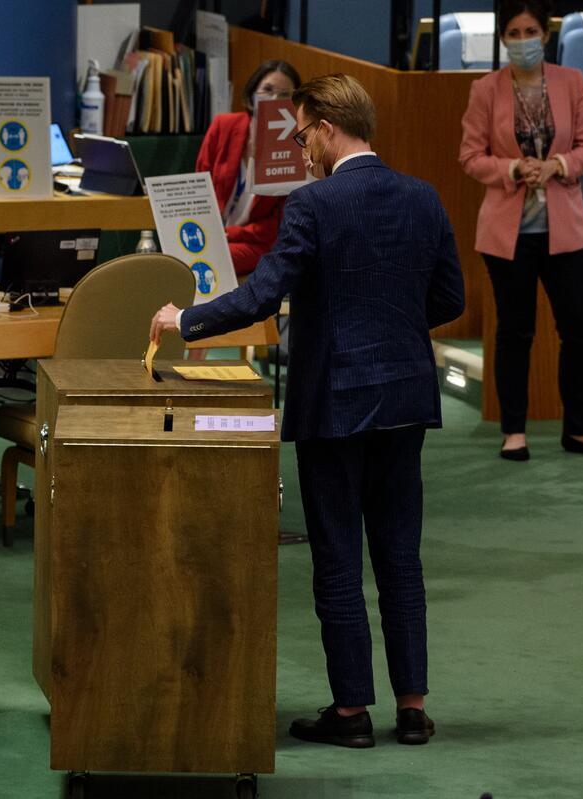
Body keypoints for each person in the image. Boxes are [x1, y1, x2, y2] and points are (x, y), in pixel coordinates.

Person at [151, 74, 465, 747]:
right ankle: (413, 707)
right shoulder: (423, 197)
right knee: (400, 557)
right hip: (405, 396)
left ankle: (351, 713)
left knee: (338, 557)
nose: (302, 149)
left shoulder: (313, 204)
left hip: (333, 402)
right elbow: (450, 298)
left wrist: (186, 319)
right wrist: (395, 329)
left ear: (326, 128)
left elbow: (263, 294)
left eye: (302, 136)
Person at [459, 0, 583, 461]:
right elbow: (470, 156)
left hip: (565, 229)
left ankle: (580, 429)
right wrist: (513, 168)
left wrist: (558, 165)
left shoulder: (572, 82)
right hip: (507, 233)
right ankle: (514, 431)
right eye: (513, 33)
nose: (523, 41)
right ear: (503, 40)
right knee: (515, 332)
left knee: (580, 328)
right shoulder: (485, 89)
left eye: (530, 32)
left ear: (545, 35)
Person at [196, 59, 301, 277]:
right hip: (208, 235)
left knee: (208, 261)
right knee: (175, 259)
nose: (274, 100)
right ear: (253, 94)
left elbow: (277, 225)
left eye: (284, 95)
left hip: (254, 243)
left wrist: (229, 235)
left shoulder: (293, 147)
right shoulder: (223, 125)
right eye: (268, 90)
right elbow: (199, 189)